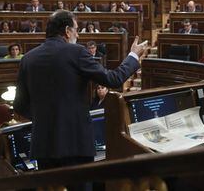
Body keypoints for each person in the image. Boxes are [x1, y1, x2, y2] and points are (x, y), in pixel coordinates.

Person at [13, 10, 146, 190]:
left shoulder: (27, 59)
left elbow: (19, 105)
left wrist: (44, 118)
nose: (78, 34)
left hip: (43, 145)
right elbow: (113, 79)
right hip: (75, 144)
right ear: (67, 31)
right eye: (76, 29)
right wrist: (133, 56)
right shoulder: (76, 52)